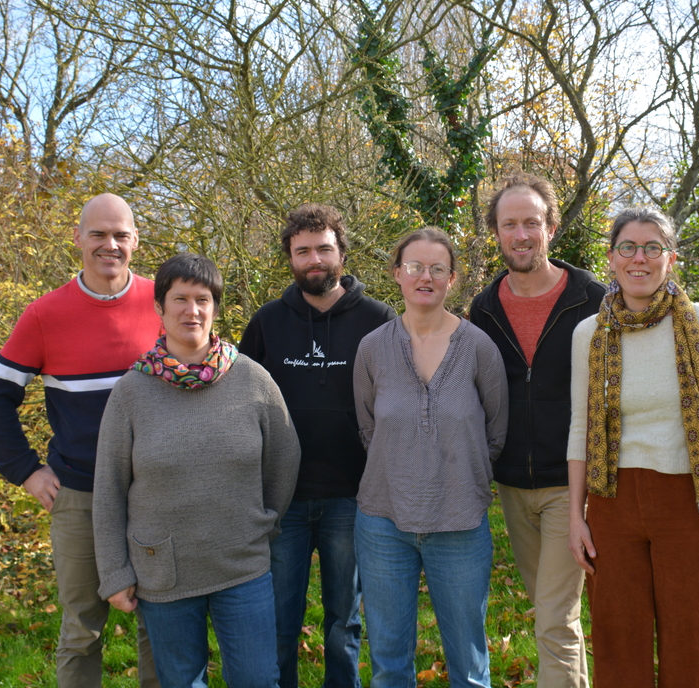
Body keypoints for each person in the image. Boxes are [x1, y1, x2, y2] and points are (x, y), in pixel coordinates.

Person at [0, 193, 161, 688]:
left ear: (135, 241)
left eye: (121, 234)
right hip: (79, 492)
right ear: (77, 239)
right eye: (98, 234)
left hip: (157, 492)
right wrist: (24, 469)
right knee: (83, 628)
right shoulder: (44, 314)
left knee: (159, 622)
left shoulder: (164, 301)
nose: (110, 244)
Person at [93, 253, 301, 688]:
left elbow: (283, 461)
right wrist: (115, 572)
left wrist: (262, 523)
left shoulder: (253, 381)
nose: (192, 310)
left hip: (241, 564)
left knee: (259, 679)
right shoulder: (131, 392)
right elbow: (109, 489)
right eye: (180, 299)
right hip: (164, 572)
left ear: (215, 307)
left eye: (202, 299)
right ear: (159, 308)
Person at [567, 208, 699, 688]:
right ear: (611, 258)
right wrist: (577, 514)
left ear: (671, 259)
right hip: (611, 500)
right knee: (617, 634)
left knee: (693, 631)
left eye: (651, 248)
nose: (638, 258)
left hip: (690, 499)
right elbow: (579, 428)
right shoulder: (589, 334)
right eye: (627, 247)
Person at [238, 204, 395, 688]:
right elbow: (239, 403)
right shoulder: (267, 323)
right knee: (279, 621)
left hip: (352, 496)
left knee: (343, 621)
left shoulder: (379, 321)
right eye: (302, 250)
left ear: (341, 253)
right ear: (289, 257)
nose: (314, 259)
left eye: (324, 248)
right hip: (282, 498)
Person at [352, 228, 508, 688]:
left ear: (452, 279)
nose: (426, 276)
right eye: (415, 267)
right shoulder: (372, 349)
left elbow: (495, 432)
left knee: (469, 665)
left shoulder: (479, 348)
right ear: (396, 273)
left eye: (437, 268)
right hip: (383, 523)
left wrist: (459, 473)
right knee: (388, 663)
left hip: (459, 521)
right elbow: (367, 427)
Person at [468, 173, 605, 688]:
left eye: (531, 222)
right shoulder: (484, 308)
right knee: (553, 613)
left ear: (551, 228)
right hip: (512, 484)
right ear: (497, 234)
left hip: (573, 482)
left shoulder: (592, 297)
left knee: (552, 616)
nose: (521, 234)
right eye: (509, 225)